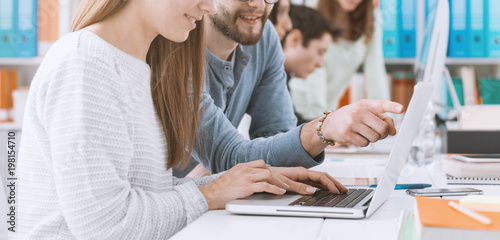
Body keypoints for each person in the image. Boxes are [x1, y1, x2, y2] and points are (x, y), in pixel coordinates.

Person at [14, 0, 348, 238]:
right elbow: (106, 225)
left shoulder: (136, 65)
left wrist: (240, 181)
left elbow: (144, 193)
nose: (208, 7)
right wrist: (211, 193)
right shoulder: (86, 64)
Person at [176, 0, 403, 177]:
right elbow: (227, 157)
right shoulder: (175, 46)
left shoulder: (264, 37)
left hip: (221, 204)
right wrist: (324, 128)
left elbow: (279, 138)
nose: (258, 5)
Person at [289, 0, 391, 120]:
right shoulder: (314, 10)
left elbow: (375, 71)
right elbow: (316, 77)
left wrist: (386, 117)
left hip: (329, 111)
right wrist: (322, 121)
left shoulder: (372, 19)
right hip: (303, 108)